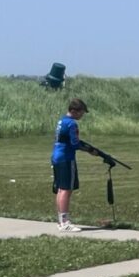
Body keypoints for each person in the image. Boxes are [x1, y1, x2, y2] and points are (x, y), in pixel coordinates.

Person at [51, 98, 94, 232]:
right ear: (74, 111)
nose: (82, 115)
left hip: (57, 156)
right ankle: (65, 222)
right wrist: (90, 150)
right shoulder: (72, 124)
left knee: (60, 189)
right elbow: (75, 144)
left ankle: (61, 220)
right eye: (81, 112)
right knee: (66, 190)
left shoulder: (61, 121)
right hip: (66, 158)